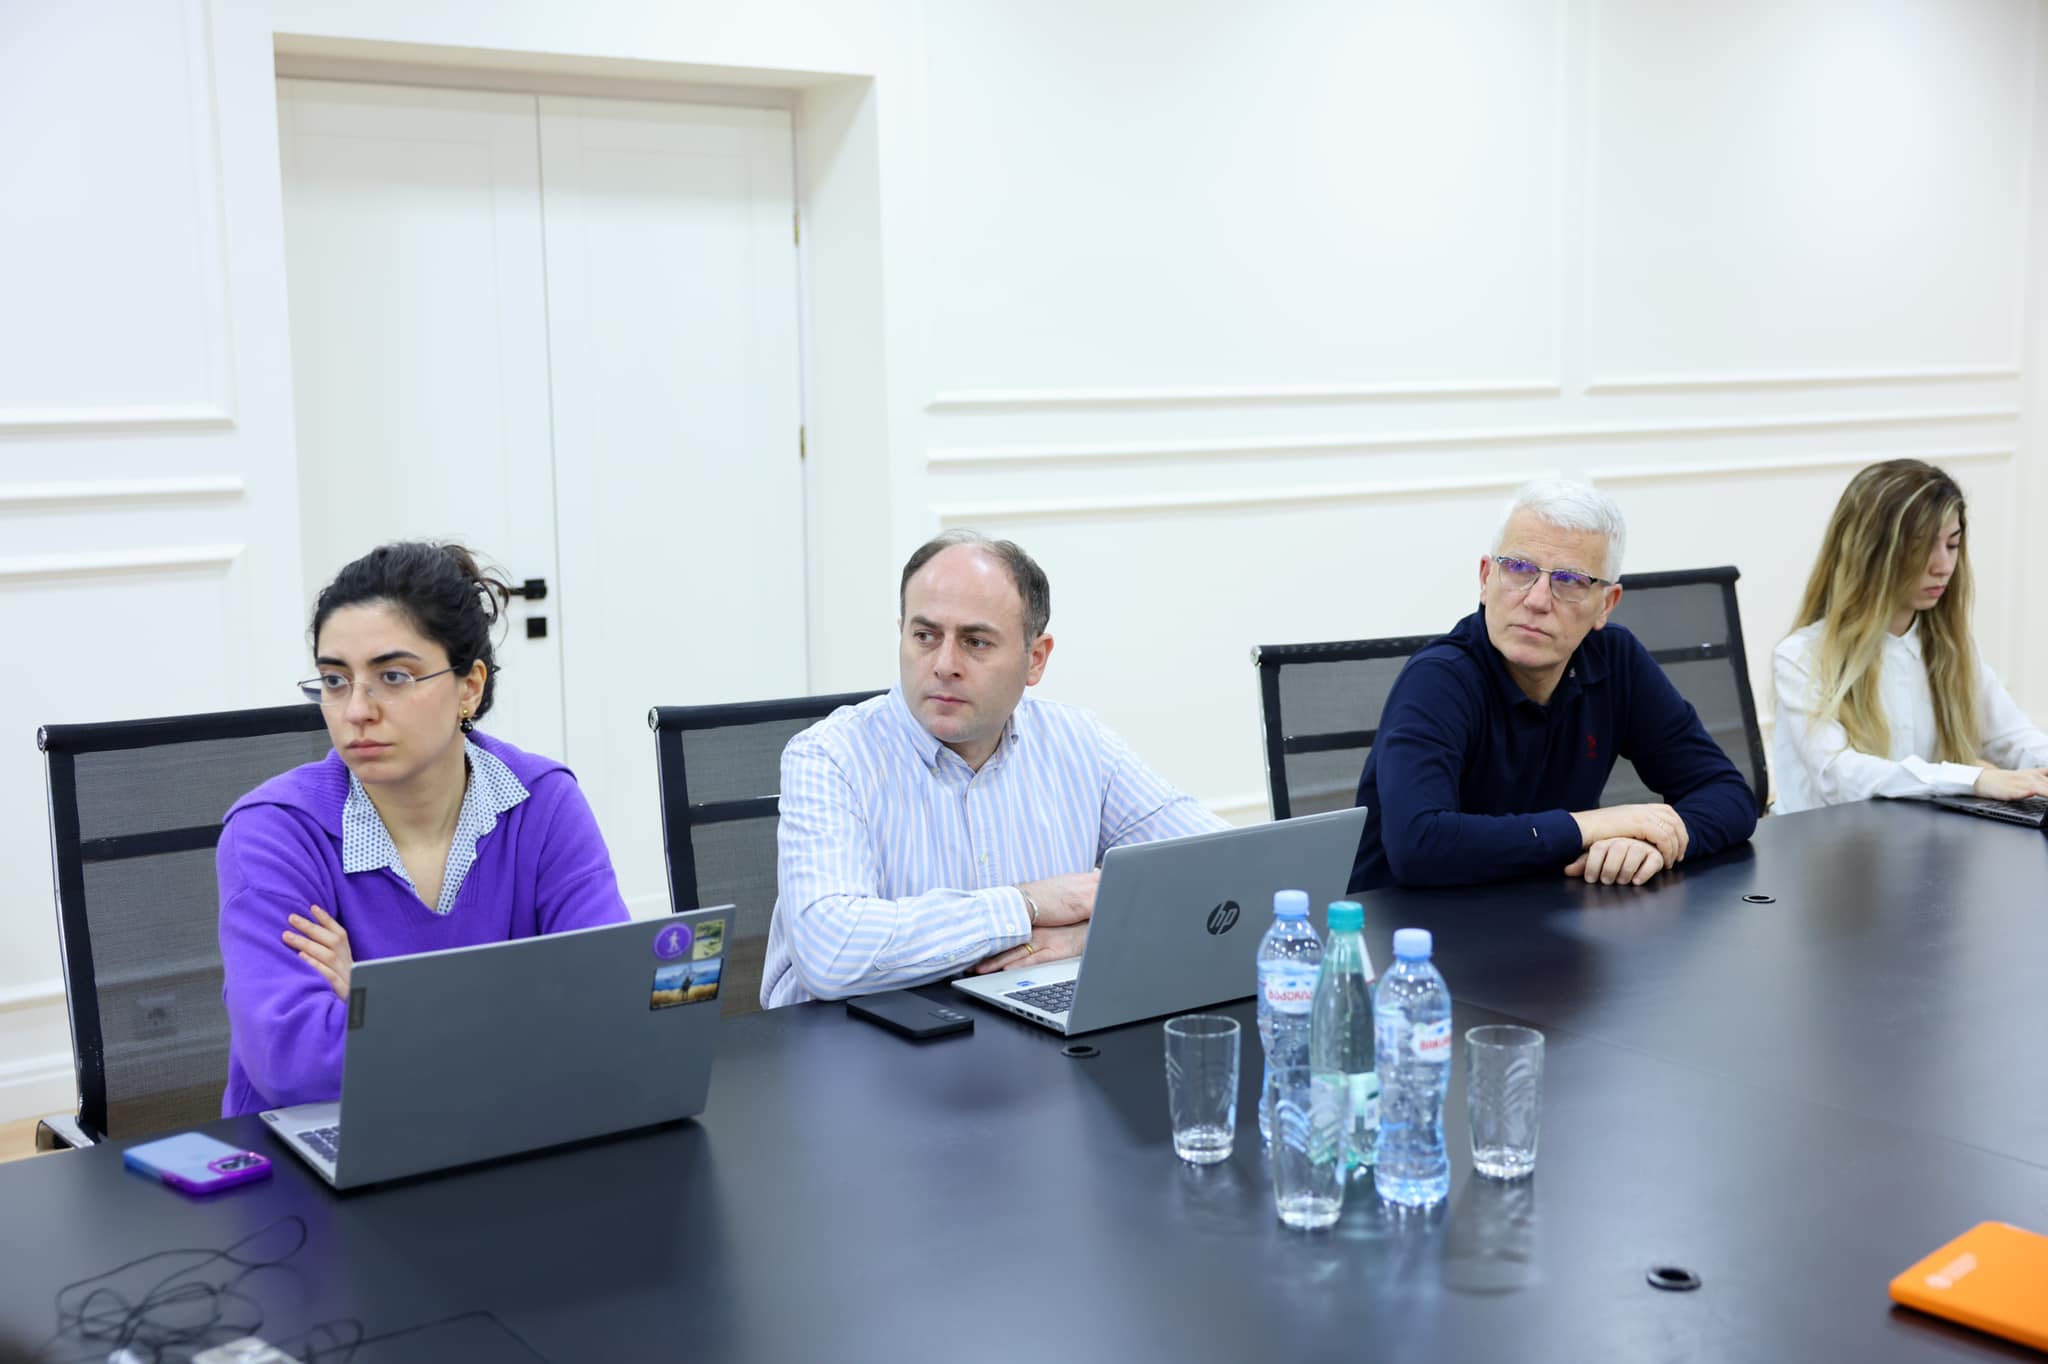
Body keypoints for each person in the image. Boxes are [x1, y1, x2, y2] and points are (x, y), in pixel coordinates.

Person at [217, 543, 629, 1116]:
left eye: (393, 676)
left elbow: (610, 1006)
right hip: (324, 1146)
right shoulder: (273, 833)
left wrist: (377, 998)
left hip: (507, 1124)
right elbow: (296, 1064)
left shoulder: (544, 802)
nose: (356, 710)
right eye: (335, 680)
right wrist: (517, 1012)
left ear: (469, 687)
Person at [761, 530, 1226, 1006]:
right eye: (925, 636)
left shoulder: (1080, 743)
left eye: (976, 642)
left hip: (1015, 1025)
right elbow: (831, 954)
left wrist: (1086, 936)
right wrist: (1027, 904)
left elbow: (1230, 872)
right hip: (848, 1036)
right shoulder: (829, 756)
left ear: (1035, 659)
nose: (944, 664)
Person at [1349, 478, 1758, 892]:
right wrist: (1592, 826)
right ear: (1486, 578)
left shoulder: (1615, 660)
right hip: (1413, 923)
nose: (1537, 600)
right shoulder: (1438, 678)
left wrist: (1656, 841)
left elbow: (1727, 793)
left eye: (1570, 581)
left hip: (1554, 911)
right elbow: (1419, 846)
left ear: (1606, 604)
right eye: (1519, 569)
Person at [1772, 459, 2048, 812]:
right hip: (1828, 841)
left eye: (1952, 545)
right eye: (1921, 546)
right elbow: (1840, 778)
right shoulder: (1801, 656)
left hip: (1919, 837)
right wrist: (1972, 779)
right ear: (1871, 552)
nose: (1943, 566)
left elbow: (2011, 736)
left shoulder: (1952, 648)